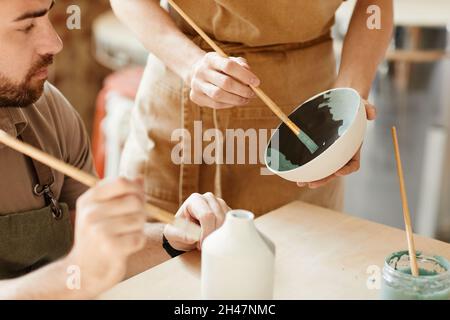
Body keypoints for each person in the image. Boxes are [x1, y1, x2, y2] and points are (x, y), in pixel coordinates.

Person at [0, 0, 229, 299]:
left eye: (46, 16)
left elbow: (87, 249)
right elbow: (80, 270)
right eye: (27, 26)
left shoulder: (48, 111)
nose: (54, 43)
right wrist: (77, 276)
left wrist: (171, 238)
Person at [111, 0, 393, 216]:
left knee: (294, 274)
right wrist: (189, 63)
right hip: (181, 96)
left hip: (307, 113)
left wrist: (348, 103)